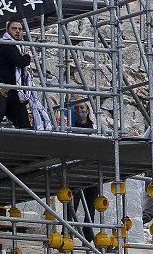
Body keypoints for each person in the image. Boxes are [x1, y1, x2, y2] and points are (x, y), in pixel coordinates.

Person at [0, 21, 31, 128]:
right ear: (7, 31)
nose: (18, 31)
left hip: (14, 91)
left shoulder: (18, 47)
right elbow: (20, 61)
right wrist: (28, 57)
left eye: (20, 29)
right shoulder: (6, 45)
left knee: (23, 122)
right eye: (14, 29)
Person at [68, 100, 99, 240]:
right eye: (76, 108)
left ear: (87, 110)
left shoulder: (95, 128)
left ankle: (88, 238)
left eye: (82, 107)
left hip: (91, 172)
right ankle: (67, 234)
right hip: (75, 172)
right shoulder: (71, 128)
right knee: (71, 206)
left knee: (90, 209)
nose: (79, 110)